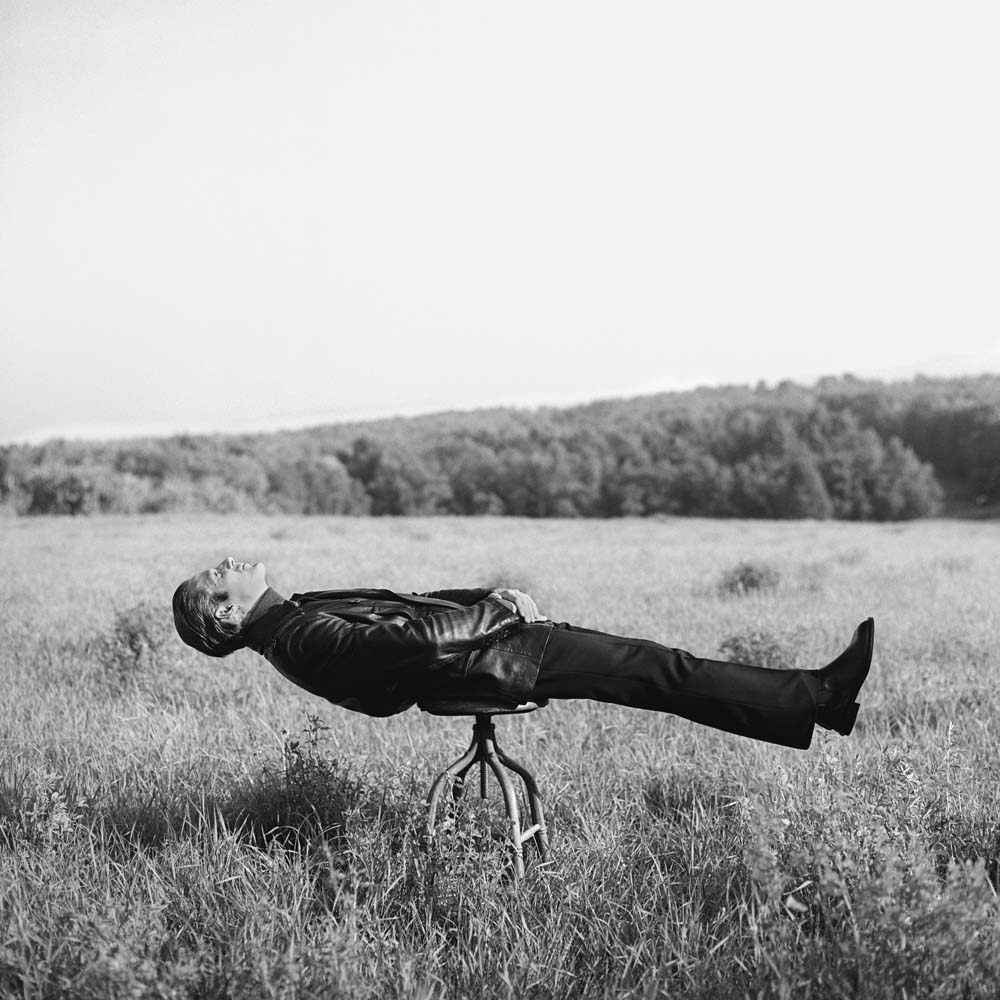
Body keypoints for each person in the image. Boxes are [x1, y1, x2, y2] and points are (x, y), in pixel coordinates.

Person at [172, 557, 874, 750]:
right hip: (502, 660)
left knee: (663, 672)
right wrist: (500, 611)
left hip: (496, 648)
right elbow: (411, 643)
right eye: (216, 575)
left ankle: (817, 703)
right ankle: (817, 698)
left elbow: (414, 606)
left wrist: (487, 592)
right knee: (665, 672)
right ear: (227, 612)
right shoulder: (296, 636)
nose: (227, 561)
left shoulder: (294, 618)